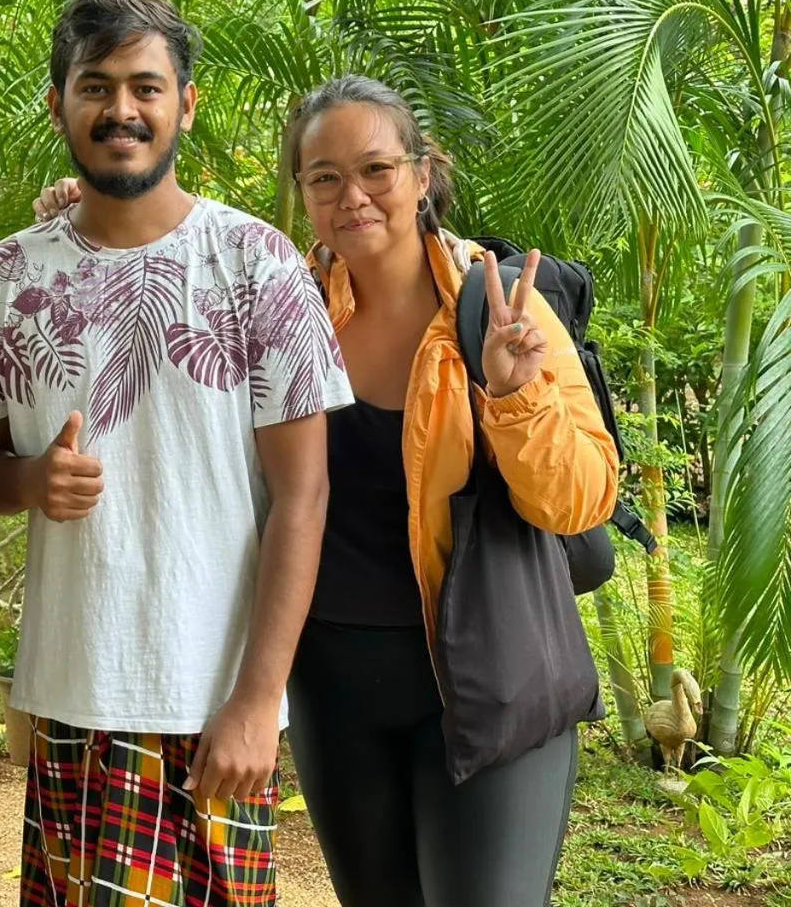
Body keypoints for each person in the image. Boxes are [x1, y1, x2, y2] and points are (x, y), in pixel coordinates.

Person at [33, 74, 619, 906]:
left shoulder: (500, 307)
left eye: (377, 169)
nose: (355, 197)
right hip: (335, 687)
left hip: (491, 673)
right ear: (301, 192)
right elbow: (162, 316)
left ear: (422, 174)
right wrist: (86, 209)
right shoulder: (281, 299)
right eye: (324, 178)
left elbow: (580, 503)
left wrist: (512, 396)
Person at [0, 0, 351, 907]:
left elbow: (305, 498)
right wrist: (31, 479)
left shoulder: (258, 264)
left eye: (145, 86)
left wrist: (258, 703)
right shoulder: (8, 275)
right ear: (59, 105)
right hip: (69, 692)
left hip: (210, 703)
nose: (121, 110)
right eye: (96, 87)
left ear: (185, 104)